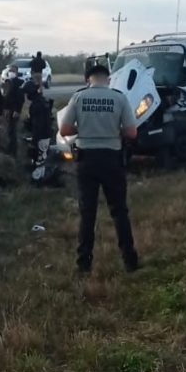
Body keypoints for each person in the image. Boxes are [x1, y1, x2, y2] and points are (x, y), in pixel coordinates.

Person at [59, 63, 139, 274]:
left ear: (88, 79)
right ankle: (130, 260)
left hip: (87, 160)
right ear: (108, 78)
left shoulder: (78, 97)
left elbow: (65, 129)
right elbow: (131, 133)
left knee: (87, 214)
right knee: (119, 211)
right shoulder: (119, 97)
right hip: (112, 159)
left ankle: (83, 263)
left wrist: (83, 127)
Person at [24, 81, 52, 180]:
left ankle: (40, 179)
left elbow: (37, 124)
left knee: (40, 159)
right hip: (46, 133)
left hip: (41, 135)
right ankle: (42, 176)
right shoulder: (42, 101)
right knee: (41, 157)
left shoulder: (36, 105)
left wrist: (34, 139)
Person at [1, 64, 25, 155]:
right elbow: (6, 97)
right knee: (9, 130)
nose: (11, 72)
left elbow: (20, 99)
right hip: (8, 109)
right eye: (10, 71)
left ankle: (13, 151)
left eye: (13, 71)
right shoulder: (8, 82)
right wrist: (4, 108)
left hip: (14, 110)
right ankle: (9, 148)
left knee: (12, 130)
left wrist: (17, 110)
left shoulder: (19, 83)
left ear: (17, 72)